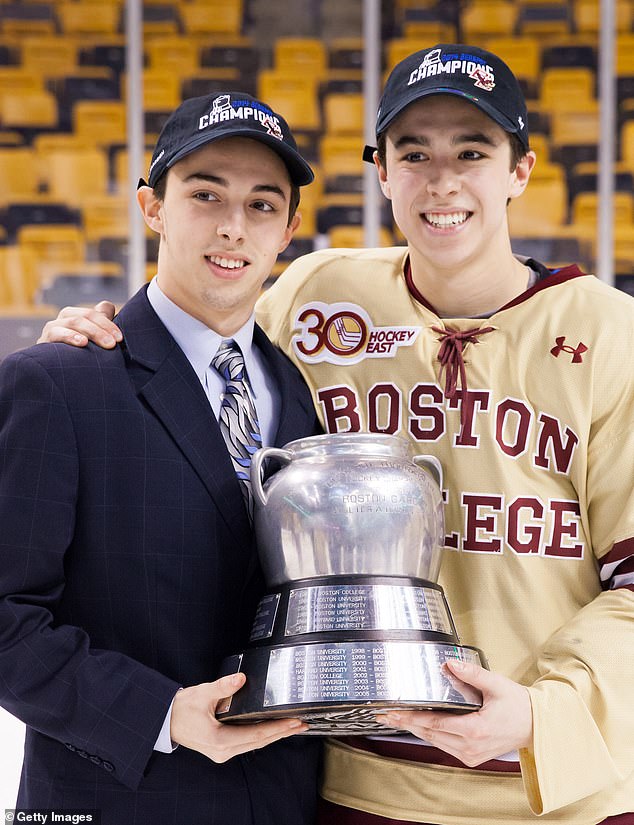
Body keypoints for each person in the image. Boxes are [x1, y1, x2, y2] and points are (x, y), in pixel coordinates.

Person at [36, 44, 634, 824]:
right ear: (382, 171)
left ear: (519, 170)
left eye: (473, 151)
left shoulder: (611, 333)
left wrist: (539, 715)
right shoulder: (322, 296)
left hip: (549, 786)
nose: (442, 179)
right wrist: (99, 334)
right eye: (413, 152)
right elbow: (199, 350)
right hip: (348, 782)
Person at [0, 91, 323, 824]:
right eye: (205, 194)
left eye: (262, 205)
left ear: (289, 231)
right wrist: (166, 714)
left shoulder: (304, 395)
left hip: (284, 803)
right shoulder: (56, 382)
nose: (233, 226)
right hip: (119, 801)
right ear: (153, 207)